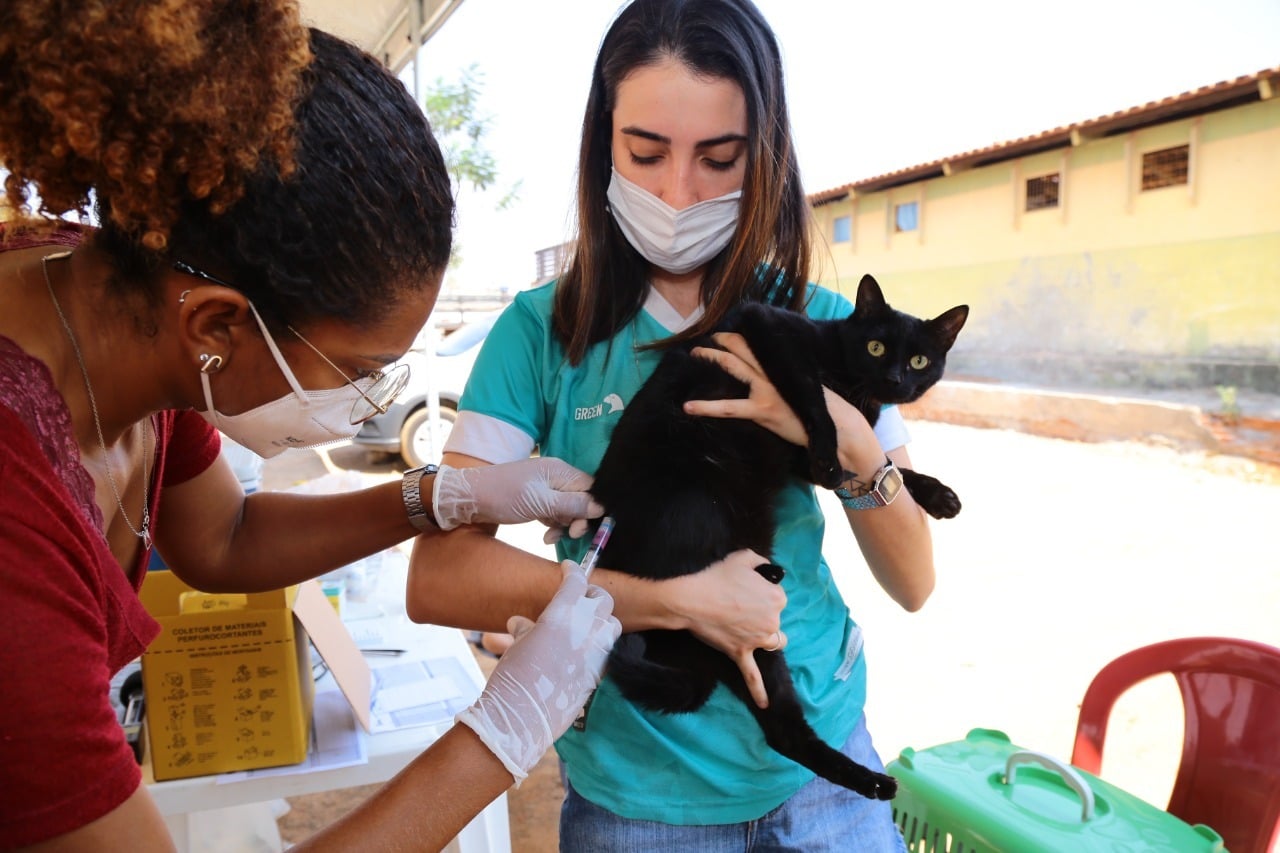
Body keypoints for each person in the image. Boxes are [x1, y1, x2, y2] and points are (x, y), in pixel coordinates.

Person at [0, 3, 620, 850]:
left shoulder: (128, 304)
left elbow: (223, 533)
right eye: (356, 371)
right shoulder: (13, 526)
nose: (366, 403)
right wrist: (503, 731)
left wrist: (441, 497)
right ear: (217, 327)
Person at [405, 0, 939, 849]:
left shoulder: (826, 322)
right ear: (602, 144)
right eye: (645, 153)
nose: (677, 193)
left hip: (824, 774)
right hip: (638, 796)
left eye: (718, 159)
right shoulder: (541, 333)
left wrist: (848, 441)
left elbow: (913, 579)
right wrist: (674, 603)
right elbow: (439, 579)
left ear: (763, 157)